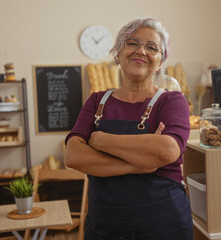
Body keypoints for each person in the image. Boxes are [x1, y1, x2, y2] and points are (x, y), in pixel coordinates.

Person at [65, 18, 193, 240]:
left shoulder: (172, 101)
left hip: (165, 223)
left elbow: (168, 151)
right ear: (118, 53)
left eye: (152, 47)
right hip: (106, 225)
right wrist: (140, 165)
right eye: (132, 43)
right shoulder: (97, 101)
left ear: (160, 61)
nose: (141, 51)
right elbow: (73, 155)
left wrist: (100, 140)